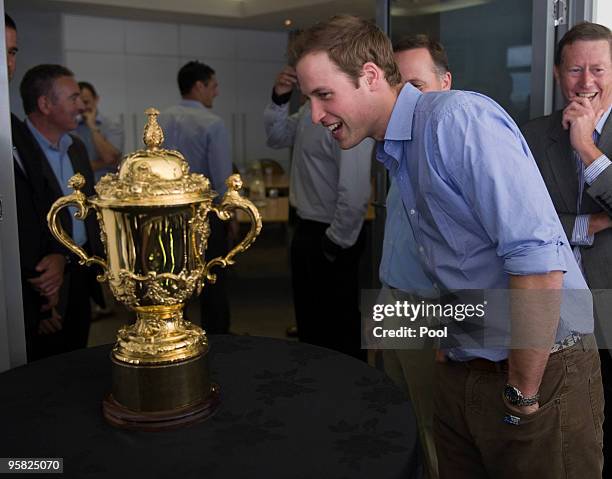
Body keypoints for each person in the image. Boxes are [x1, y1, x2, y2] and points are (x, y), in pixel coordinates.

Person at [290, 15, 603, 478]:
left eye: (324, 95)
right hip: (468, 360)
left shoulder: (456, 118)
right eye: (309, 99)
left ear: (371, 76)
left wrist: (522, 392)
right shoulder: (398, 148)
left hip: (540, 366)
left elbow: (537, 262)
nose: (315, 115)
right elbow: (463, 264)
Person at [522, 21, 612, 475]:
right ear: (558, 73)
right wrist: (589, 224)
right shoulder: (531, 136)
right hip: (551, 312)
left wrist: (586, 148)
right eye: (575, 70)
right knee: (562, 435)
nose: (586, 82)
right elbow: (518, 220)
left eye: (598, 68)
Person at [264, 61, 372, 361]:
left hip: (332, 233)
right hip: (307, 229)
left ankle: (351, 392)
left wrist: (334, 241)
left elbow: (354, 192)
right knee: (311, 321)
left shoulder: (346, 119)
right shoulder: (306, 115)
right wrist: (279, 98)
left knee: (339, 324)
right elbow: (276, 137)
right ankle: (317, 385)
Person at [380, 33, 452, 479]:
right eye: (398, 87)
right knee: (395, 417)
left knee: (434, 430)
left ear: (445, 83)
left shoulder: (452, 151)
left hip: (431, 310)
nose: (407, 99)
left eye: (417, 86)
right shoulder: (399, 148)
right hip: (393, 299)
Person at [19, 64, 105, 353]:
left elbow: (89, 209)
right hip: (46, 283)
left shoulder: (76, 147)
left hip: (80, 272)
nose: (81, 106)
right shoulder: (16, 152)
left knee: (77, 356)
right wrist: (38, 305)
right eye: (73, 98)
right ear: (45, 104)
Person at [5, 14, 66, 361]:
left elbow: (45, 200)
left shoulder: (14, 127)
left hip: (29, 301)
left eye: (12, 52)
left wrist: (56, 257)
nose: (8, 64)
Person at [158, 61, 233, 334]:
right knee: (213, 278)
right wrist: (229, 215)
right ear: (199, 86)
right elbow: (223, 178)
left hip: (165, 216)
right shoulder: (213, 123)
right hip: (204, 215)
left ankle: (174, 334)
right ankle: (217, 337)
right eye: (213, 86)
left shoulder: (160, 120)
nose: (216, 92)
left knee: (171, 280)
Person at [74, 81, 123, 182]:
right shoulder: (71, 128)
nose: (83, 107)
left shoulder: (112, 125)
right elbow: (73, 166)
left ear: (96, 99)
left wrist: (92, 126)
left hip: (108, 187)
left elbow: (110, 158)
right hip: (80, 186)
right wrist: (102, 163)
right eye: (79, 102)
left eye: (86, 102)